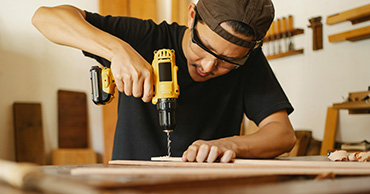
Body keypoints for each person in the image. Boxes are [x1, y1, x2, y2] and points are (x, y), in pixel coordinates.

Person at [32, 0, 296, 163]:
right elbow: (44, 17)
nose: (208, 66)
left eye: (228, 61)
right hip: (131, 186)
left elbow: (283, 134)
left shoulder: (249, 62)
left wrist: (229, 145)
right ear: (192, 15)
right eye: (204, 48)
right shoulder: (146, 37)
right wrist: (117, 51)